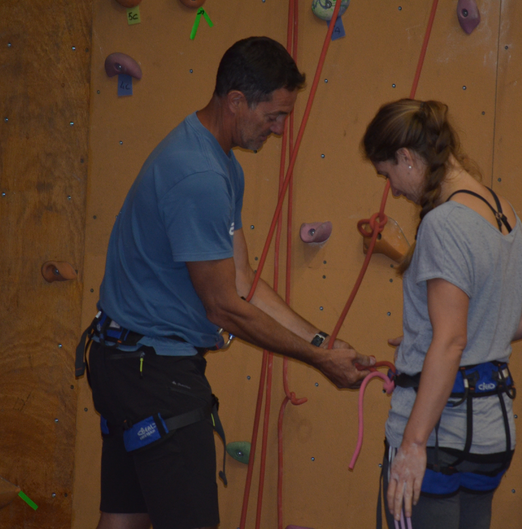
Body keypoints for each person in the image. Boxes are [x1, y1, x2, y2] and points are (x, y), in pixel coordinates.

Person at [79, 36, 375, 529]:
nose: (279, 129)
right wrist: (319, 361)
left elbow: (242, 281)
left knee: (124, 521)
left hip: (126, 363)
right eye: (274, 116)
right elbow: (224, 307)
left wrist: (322, 341)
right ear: (236, 100)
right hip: (153, 373)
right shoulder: (199, 175)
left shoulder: (219, 164)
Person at [361, 99, 522, 529]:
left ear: (407, 157)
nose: (393, 190)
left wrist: (413, 443)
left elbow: (452, 340)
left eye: (388, 174)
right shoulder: (505, 213)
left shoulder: (444, 223)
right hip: (491, 434)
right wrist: (432, 341)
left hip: (439, 436)